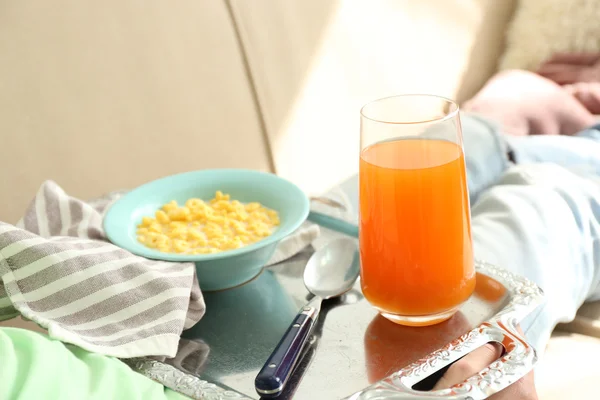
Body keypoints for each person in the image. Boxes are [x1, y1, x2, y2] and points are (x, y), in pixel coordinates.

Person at [2, 59, 600, 399]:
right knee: (545, 203)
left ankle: (500, 123)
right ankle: (563, 142)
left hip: (250, 273)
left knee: (404, 170)